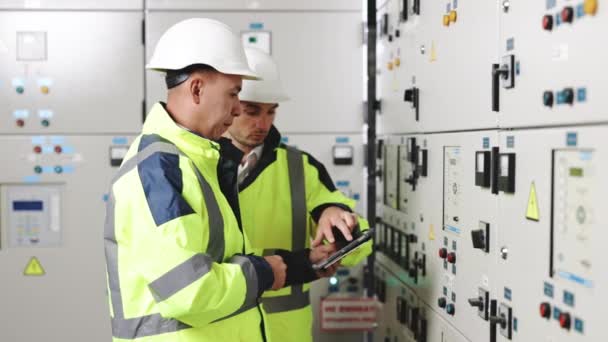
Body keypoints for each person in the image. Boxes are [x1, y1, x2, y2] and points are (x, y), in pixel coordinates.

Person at [103, 18, 287, 341]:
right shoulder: (160, 168)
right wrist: (263, 273)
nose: (236, 110)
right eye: (233, 95)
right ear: (197, 88)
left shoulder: (196, 161)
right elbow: (188, 291)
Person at [223, 47, 373, 342]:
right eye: (252, 111)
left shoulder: (298, 166)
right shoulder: (195, 164)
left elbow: (358, 241)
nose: (263, 124)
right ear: (230, 103)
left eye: (271, 111)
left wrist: (333, 215)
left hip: (284, 334)